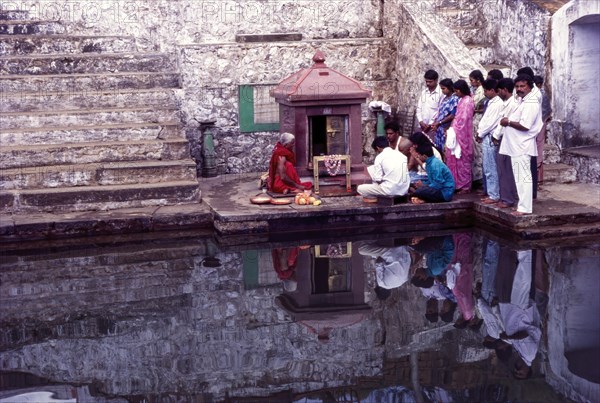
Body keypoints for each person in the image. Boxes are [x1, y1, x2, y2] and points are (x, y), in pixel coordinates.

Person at [498, 75, 543, 215]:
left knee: (523, 178)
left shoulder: (531, 103)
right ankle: (522, 206)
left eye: (522, 86)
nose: (519, 89)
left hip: (522, 146)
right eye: (517, 87)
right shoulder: (523, 101)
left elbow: (525, 125)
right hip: (516, 145)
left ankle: (525, 208)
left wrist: (508, 122)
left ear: (530, 86)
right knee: (519, 177)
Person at [493, 78, 520, 210]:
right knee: (504, 169)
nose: (498, 93)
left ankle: (508, 199)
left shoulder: (512, 104)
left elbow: (503, 123)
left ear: (504, 90)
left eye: (499, 91)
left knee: (505, 169)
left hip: (507, 139)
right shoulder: (508, 103)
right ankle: (507, 197)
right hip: (505, 139)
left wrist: (495, 136)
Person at [476, 79, 503, 204]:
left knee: (490, 167)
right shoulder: (492, 102)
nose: (485, 93)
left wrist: (480, 134)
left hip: (489, 137)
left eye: (486, 91)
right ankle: (493, 193)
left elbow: (489, 123)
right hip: (486, 136)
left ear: (492, 90)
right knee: (488, 166)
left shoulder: (497, 104)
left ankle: (494, 194)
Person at [445, 79, 474, 194]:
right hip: (456, 132)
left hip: (462, 134)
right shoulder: (462, 100)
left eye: (456, 91)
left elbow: (464, 120)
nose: (456, 93)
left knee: (463, 160)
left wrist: (453, 130)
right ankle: (457, 184)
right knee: (456, 160)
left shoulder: (467, 101)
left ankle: (465, 186)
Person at [429, 78, 459, 152]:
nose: (442, 91)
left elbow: (452, 115)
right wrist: (436, 122)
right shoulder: (445, 98)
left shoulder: (454, 99)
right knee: (438, 149)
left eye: (443, 88)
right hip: (439, 127)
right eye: (441, 89)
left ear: (449, 87)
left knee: (445, 149)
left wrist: (439, 123)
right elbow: (440, 112)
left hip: (446, 128)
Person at [533, 75, 552, 190]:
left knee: (539, 149)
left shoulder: (542, 95)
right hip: (535, 124)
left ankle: (539, 179)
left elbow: (546, 112)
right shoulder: (536, 95)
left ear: (539, 85)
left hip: (541, 124)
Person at [470, 69, 486, 191]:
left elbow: (474, 105)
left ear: (478, 80)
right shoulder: (476, 90)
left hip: (478, 120)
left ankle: (479, 177)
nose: (471, 83)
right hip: (476, 119)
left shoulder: (481, 91)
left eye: (472, 80)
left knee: (478, 149)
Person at [416, 70, 443, 134]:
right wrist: (420, 121)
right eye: (426, 81)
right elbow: (419, 108)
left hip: (433, 128)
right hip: (421, 126)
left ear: (436, 80)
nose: (428, 83)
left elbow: (439, 111)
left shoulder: (441, 93)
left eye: (430, 82)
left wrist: (430, 124)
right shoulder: (424, 92)